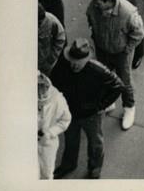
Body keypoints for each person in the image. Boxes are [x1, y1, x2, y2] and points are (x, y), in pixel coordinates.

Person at [51, 38, 125, 177]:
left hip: (91, 115)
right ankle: (68, 165)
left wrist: (101, 105)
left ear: (86, 59)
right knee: (70, 140)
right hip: (69, 112)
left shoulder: (97, 70)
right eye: (72, 61)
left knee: (95, 143)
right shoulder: (63, 66)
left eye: (78, 62)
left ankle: (95, 168)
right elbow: (54, 83)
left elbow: (118, 86)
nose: (74, 65)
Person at [85, 0, 144, 132]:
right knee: (103, 76)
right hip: (102, 48)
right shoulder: (94, 7)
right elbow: (90, 18)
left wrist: (127, 49)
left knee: (125, 81)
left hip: (120, 53)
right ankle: (109, 101)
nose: (95, 5)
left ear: (109, 1)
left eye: (99, 3)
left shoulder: (128, 13)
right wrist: (95, 36)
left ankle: (129, 107)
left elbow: (138, 34)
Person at [37, 72, 71, 180]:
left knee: (47, 173)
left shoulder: (57, 99)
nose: (41, 96)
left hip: (48, 144)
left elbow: (65, 120)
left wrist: (50, 132)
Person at [39, 2, 66, 76]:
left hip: (45, 65)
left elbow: (61, 38)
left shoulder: (51, 20)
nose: (40, 24)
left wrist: (51, 59)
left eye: (41, 22)